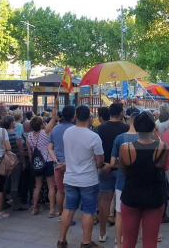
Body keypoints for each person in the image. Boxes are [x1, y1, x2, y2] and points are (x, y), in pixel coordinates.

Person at [119, 111, 168, 248]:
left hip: (131, 195)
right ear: (153, 127)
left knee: (128, 240)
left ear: (135, 126)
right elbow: (161, 167)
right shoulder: (162, 147)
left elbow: (124, 171)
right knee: (150, 241)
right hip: (154, 196)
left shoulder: (125, 148)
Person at [58, 105, 104, 248]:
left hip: (70, 177)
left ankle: (61, 240)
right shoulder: (94, 137)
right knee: (89, 211)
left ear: (75, 117)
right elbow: (100, 161)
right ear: (90, 118)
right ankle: (86, 242)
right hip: (88, 179)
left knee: (69, 208)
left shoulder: (67, 133)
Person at [96, 103, 129, 242]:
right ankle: (119, 235)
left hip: (103, 168)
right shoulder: (127, 129)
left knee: (104, 201)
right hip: (122, 169)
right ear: (121, 113)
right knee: (122, 202)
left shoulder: (98, 128)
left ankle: (102, 232)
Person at [110, 112, 140, 248]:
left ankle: (118, 242)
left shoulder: (119, 138)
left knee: (119, 214)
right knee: (138, 214)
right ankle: (134, 240)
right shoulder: (145, 138)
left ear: (129, 122)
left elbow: (112, 162)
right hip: (139, 183)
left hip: (121, 182)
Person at [26, 98, 59, 217]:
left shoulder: (28, 137)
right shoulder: (45, 132)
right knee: (51, 186)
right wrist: (55, 106)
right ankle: (51, 210)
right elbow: (54, 118)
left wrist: (32, 164)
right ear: (41, 125)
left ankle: (34, 208)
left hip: (36, 163)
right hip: (48, 161)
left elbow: (30, 152)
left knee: (38, 186)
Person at [48, 105, 75, 218]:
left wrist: (56, 161)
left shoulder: (55, 129)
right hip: (71, 165)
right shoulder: (74, 129)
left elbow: (50, 148)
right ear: (74, 116)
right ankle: (66, 217)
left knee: (60, 190)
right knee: (68, 191)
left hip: (57, 164)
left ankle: (60, 214)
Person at [2, 115, 27, 211]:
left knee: (6, 182)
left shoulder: (3, 134)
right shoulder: (16, 134)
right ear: (12, 124)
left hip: (4, 161)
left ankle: (3, 202)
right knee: (15, 182)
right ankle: (17, 204)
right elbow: (20, 149)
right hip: (15, 161)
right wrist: (23, 161)